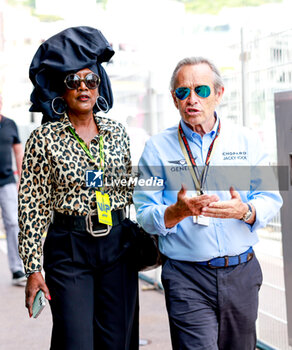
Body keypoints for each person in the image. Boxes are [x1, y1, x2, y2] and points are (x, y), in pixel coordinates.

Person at [133, 56, 283, 350]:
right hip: (186, 276)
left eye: (201, 90)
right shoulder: (156, 148)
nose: (192, 99)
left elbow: (270, 197)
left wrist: (247, 211)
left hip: (241, 273)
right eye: (182, 92)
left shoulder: (246, 141)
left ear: (218, 94)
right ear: (174, 100)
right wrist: (174, 213)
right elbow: (143, 213)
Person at [18, 26, 138, 350]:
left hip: (116, 245)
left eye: (91, 80)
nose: (83, 88)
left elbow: (127, 187)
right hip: (68, 249)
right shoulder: (43, 139)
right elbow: (32, 205)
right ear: (63, 88)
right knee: (76, 341)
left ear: (100, 86)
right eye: (73, 81)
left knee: (116, 341)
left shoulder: (117, 133)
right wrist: (32, 268)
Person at [0, 93, 25, 286]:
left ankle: (17, 269)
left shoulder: (10, 124)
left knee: (13, 223)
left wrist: (21, 179)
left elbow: (18, 151)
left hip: (7, 181)